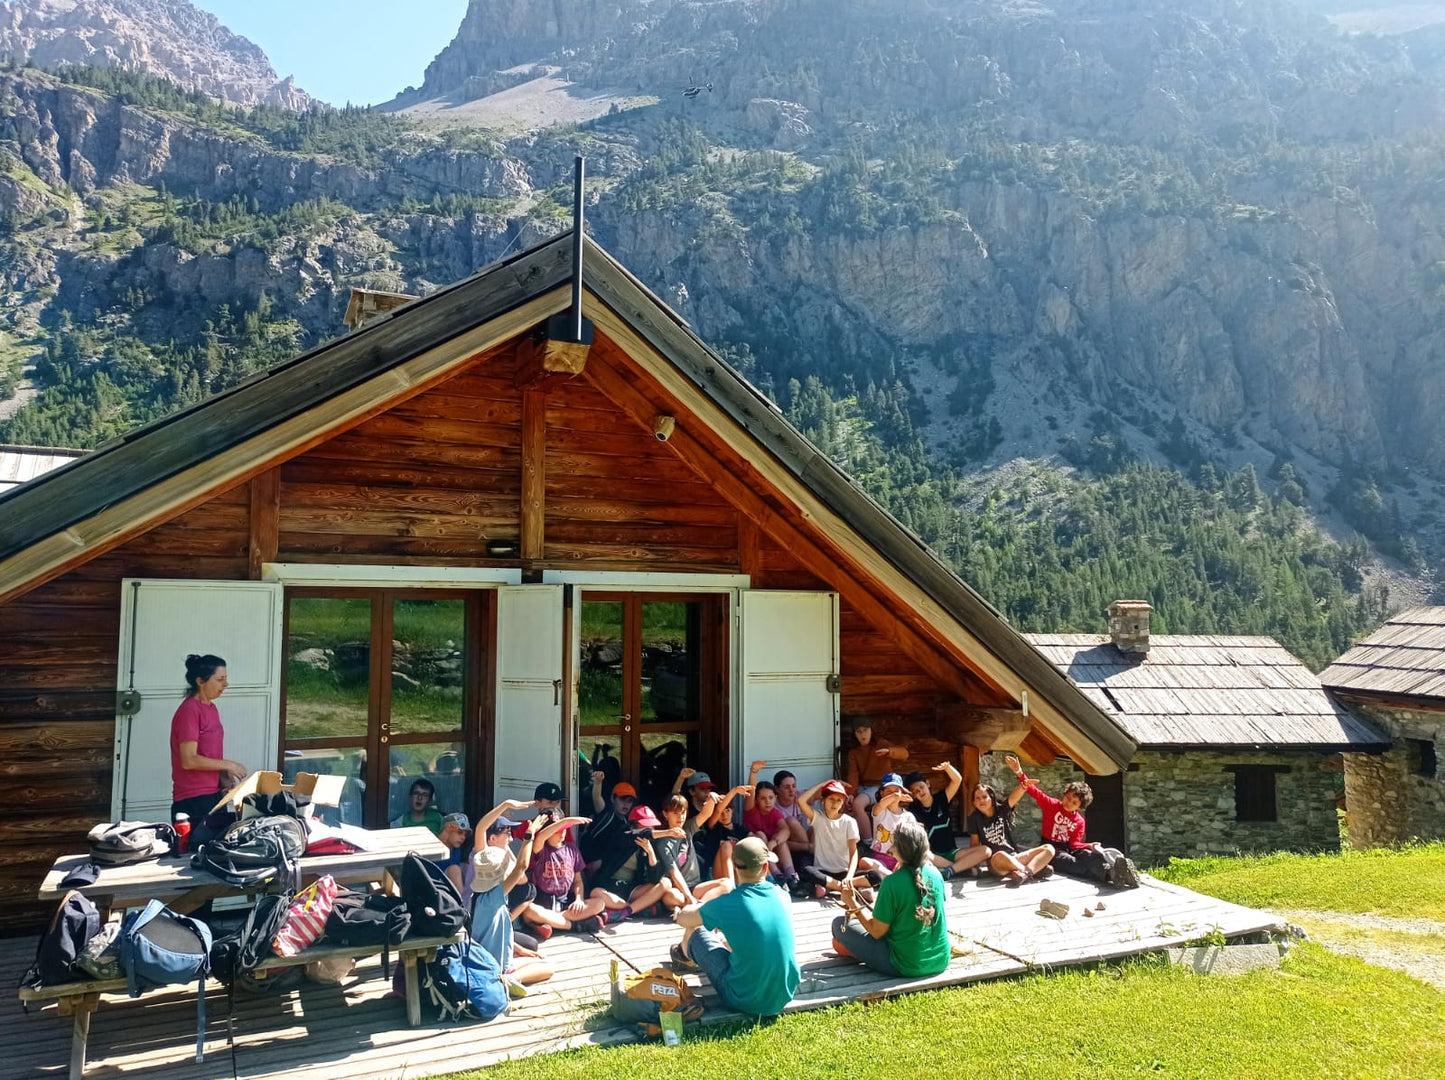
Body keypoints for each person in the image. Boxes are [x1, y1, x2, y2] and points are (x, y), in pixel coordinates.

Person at [670, 837, 801, 1020]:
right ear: (765, 867)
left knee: (696, 930)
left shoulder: (727, 903)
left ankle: (683, 957)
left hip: (743, 999)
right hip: (784, 995)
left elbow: (686, 920)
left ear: (735, 866)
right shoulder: (783, 895)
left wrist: (682, 912)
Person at [832, 819, 949, 978]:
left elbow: (876, 932)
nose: (890, 849)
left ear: (902, 849)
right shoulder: (935, 873)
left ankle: (854, 951)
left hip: (905, 964)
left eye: (893, 844)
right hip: (940, 960)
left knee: (839, 924)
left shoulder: (892, 883)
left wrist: (851, 902)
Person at [1006, 755, 1140, 888]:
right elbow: (1034, 791)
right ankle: (1111, 875)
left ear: (1079, 806)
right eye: (1068, 797)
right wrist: (1019, 772)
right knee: (1074, 864)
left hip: (1069, 848)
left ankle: (1117, 870)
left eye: (1074, 802)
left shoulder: (1079, 821)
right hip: (1051, 851)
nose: (1069, 802)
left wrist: (1088, 846)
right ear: (1064, 795)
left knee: (1089, 855)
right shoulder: (1052, 805)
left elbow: (1074, 845)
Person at [470, 803, 553, 988]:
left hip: (484, 960)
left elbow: (481, 827)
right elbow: (521, 868)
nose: (509, 838)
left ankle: (507, 975)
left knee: (532, 951)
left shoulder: (480, 893)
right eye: (506, 834)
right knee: (547, 967)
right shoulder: (496, 896)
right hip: (495, 966)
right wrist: (529, 836)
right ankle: (507, 980)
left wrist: (519, 950)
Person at [170, 653, 247, 848]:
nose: (225, 684)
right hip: (192, 799)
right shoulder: (189, 711)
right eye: (220, 679)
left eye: (226, 678)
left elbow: (209, 753)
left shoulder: (211, 709)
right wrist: (229, 764)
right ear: (200, 681)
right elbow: (189, 760)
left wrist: (222, 775)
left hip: (215, 795)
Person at [794, 779, 883, 899]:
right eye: (831, 799)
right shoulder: (818, 818)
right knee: (807, 870)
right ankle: (847, 888)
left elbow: (853, 852)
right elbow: (801, 801)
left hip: (844, 872)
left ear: (842, 803)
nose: (834, 803)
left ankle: (833, 887)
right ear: (823, 800)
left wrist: (849, 877)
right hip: (823, 871)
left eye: (839, 800)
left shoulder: (849, 822)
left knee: (876, 876)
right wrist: (821, 784)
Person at [905, 763, 990, 878]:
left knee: (986, 851)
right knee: (924, 856)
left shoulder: (941, 799)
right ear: (913, 795)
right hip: (933, 855)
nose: (920, 792)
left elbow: (957, 780)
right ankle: (959, 869)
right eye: (915, 791)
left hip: (952, 852)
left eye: (921, 787)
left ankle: (951, 870)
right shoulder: (913, 811)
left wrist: (948, 768)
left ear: (928, 784)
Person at [966, 780, 1056, 886]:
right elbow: (975, 844)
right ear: (973, 802)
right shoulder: (974, 818)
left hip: (1015, 857)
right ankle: (1032, 870)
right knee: (1000, 855)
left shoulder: (1000, 810)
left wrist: (1024, 786)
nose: (981, 800)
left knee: (1049, 848)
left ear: (992, 798)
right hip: (996, 862)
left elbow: (1013, 798)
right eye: (977, 798)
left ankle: (1023, 873)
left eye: (985, 797)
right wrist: (973, 864)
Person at [844, 718, 908, 841]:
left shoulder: (881, 744)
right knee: (845, 805)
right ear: (854, 734)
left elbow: (904, 754)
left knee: (858, 804)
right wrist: (851, 793)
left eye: (865, 730)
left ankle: (869, 842)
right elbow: (853, 774)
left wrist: (890, 751)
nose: (863, 734)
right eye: (858, 731)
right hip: (863, 787)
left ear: (871, 731)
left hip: (880, 786)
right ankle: (853, 841)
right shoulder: (854, 752)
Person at [743, 780, 800, 889]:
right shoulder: (751, 811)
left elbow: (785, 830)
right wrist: (754, 771)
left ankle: (792, 876)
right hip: (754, 856)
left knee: (781, 841)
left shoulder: (775, 813)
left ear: (776, 798)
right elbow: (751, 791)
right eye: (763, 799)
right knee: (760, 835)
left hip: (771, 854)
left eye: (771, 798)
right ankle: (776, 875)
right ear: (756, 800)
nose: (768, 802)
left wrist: (773, 843)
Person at [869, 772, 915, 870]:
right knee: (866, 862)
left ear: (902, 793)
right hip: (880, 857)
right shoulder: (879, 811)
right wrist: (896, 796)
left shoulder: (908, 816)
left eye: (896, 791)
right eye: (889, 791)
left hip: (901, 858)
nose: (893, 794)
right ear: (882, 793)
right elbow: (881, 804)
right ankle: (889, 875)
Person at [438, 812, 474, 897]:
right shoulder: (431, 847)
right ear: (447, 828)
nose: (463, 838)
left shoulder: (456, 850)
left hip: (446, 894)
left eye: (465, 834)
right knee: (454, 869)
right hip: (430, 889)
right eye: (459, 832)